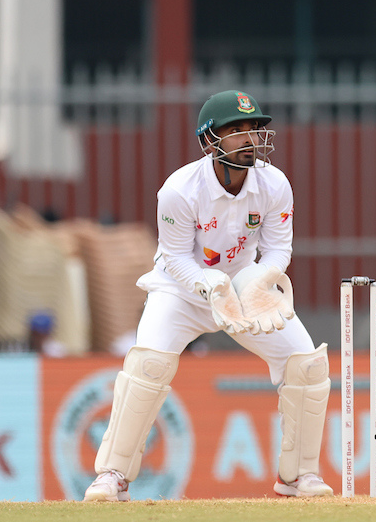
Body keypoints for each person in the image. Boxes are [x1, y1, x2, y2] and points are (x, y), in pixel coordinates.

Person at [83, 90, 332, 501]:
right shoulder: (179, 190)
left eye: (254, 129)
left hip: (244, 291)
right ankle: (113, 475)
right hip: (181, 291)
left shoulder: (274, 183)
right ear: (208, 141)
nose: (250, 138)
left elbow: (278, 248)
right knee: (148, 366)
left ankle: (298, 477)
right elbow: (175, 257)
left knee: (305, 365)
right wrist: (208, 285)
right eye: (237, 130)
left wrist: (260, 280)